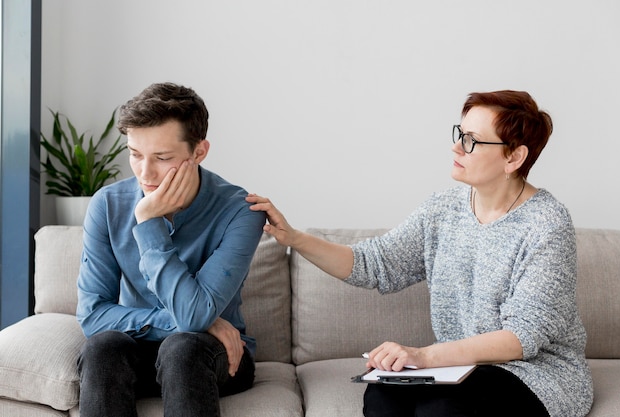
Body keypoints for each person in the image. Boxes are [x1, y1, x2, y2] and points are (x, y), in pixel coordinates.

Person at [247, 90, 593, 417]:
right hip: (462, 368)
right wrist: (293, 238)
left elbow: (522, 338)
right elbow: (375, 263)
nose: (457, 147)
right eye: (460, 133)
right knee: (383, 394)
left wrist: (423, 357)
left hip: (535, 373)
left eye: (472, 140)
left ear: (514, 157)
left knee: (441, 410)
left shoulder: (546, 223)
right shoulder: (442, 210)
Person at [76, 82, 266, 417]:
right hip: (138, 350)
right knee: (103, 348)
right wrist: (193, 321)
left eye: (162, 158)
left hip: (214, 356)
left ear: (199, 151)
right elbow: (93, 316)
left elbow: (194, 316)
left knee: (183, 347)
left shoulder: (239, 211)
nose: (144, 173)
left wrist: (148, 222)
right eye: (135, 155)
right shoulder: (107, 205)